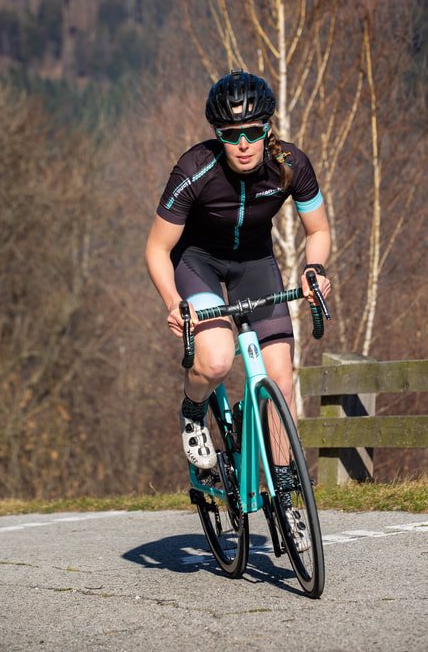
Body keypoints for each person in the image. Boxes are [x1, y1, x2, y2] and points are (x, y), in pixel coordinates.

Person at [145, 69, 331, 542]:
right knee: (216, 360)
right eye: (231, 135)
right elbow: (156, 250)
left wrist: (315, 271)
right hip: (199, 264)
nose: (244, 143)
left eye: (252, 132)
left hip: (254, 264)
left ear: (268, 128)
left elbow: (319, 231)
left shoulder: (292, 164)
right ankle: (193, 412)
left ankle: (285, 493)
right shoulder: (194, 169)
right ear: (218, 135)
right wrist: (174, 303)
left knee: (281, 381)